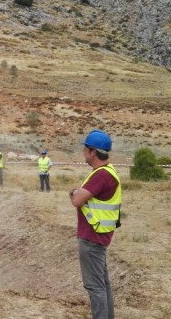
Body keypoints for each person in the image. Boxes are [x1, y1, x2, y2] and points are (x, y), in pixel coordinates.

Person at [69, 130, 122, 319]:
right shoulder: (108, 171)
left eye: (85, 149)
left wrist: (75, 192)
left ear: (92, 151)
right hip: (100, 236)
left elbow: (77, 200)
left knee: (95, 286)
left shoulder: (101, 175)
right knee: (102, 284)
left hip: (92, 238)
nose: (83, 153)